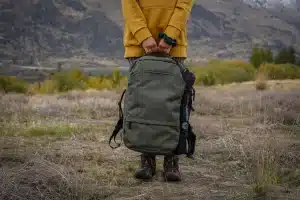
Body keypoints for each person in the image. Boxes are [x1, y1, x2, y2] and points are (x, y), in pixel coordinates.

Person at [121, 0, 194, 182]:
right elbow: (128, 3)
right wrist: (143, 36)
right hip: (138, 46)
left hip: (174, 45)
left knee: (173, 103)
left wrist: (170, 36)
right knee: (144, 104)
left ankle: (172, 160)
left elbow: (184, 4)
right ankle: (147, 160)